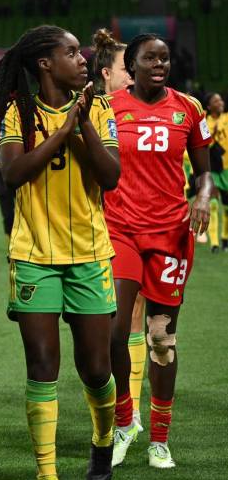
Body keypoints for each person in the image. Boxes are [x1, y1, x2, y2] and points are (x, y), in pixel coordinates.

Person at [0, 25, 120, 480]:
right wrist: (61, 130)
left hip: (89, 252)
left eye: (81, 52)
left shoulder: (99, 109)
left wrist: (79, 125)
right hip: (34, 255)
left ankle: (102, 442)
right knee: (42, 364)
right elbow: (14, 172)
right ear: (45, 63)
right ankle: (47, 476)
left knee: (96, 368)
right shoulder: (15, 112)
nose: (83, 59)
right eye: (71, 52)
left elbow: (111, 176)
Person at [106, 33, 213, 469]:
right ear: (130, 65)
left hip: (170, 234)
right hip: (121, 229)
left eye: (165, 58)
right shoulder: (108, 108)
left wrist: (203, 197)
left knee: (161, 339)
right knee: (114, 328)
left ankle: (159, 438)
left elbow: (206, 170)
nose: (160, 64)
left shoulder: (188, 108)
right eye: (150, 58)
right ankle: (124, 419)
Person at [91, 28, 150, 434]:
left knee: (137, 319)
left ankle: (130, 414)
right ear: (105, 74)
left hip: (147, 225)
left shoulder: (149, 109)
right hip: (105, 226)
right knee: (110, 325)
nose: (132, 74)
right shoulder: (95, 112)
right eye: (125, 69)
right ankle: (117, 409)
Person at [203, 92, 228, 253]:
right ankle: (214, 243)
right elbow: (203, 143)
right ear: (209, 106)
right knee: (212, 204)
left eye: (220, 100)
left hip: (227, 168)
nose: (220, 103)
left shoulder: (227, 118)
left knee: (227, 208)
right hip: (212, 169)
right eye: (216, 101)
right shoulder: (204, 122)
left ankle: (225, 238)